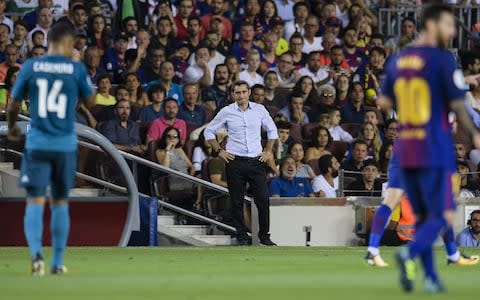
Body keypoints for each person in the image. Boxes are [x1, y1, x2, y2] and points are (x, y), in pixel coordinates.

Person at [381, 4, 480, 293]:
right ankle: (408, 254)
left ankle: (431, 277)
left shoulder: (399, 60)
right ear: (433, 24)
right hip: (434, 144)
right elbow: (458, 104)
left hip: (405, 144)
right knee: (445, 213)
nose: (451, 32)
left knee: (425, 215)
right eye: (449, 25)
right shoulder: (441, 59)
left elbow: (386, 102)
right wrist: (474, 134)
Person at [7, 22, 94, 275]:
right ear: (68, 43)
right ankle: (57, 262)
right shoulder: (75, 67)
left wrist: (13, 128)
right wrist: (77, 68)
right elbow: (90, 98)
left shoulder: (32, 66)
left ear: (48, 41)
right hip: (65, 144)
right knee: (60, 203)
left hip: (37, 143)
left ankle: (36, 256)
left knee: (34, 201)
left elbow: (13, 103)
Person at [204, 80, 278, 246]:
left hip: (256, 160)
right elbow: (209, 131)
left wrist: (268, 150)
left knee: (263, 199)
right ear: (233, 94)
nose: (241, 95)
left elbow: (272, 130)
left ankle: (264, 236)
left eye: (244, 92)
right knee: (236, 201)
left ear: (249, 92)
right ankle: (242, 236)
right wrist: (219, 151)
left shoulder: (259, 109)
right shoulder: (226, 111)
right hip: (235, 160)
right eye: (237, 93)